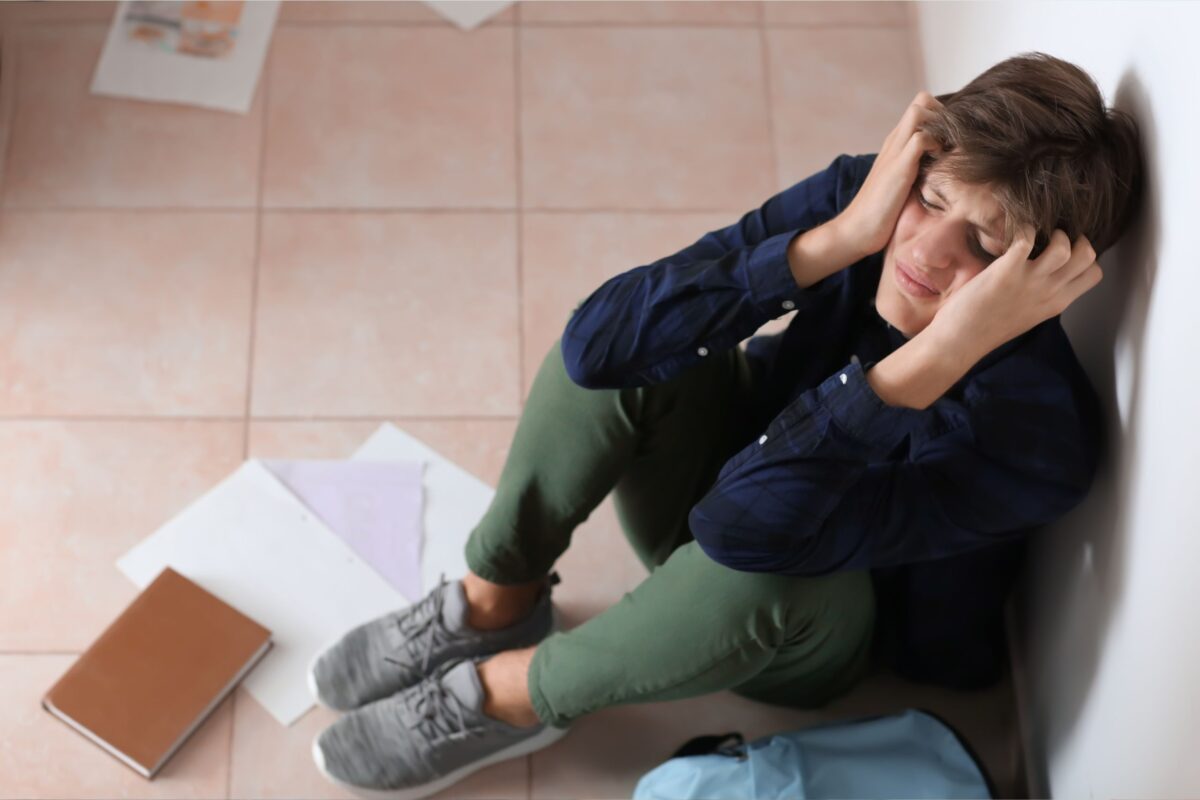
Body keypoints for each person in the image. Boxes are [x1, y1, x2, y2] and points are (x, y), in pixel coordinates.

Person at [306, 51, 1143, 799]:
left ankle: (511, 696)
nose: (926, 248)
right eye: (931, 198)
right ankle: (497, 601)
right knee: (638, 343)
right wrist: (839, 237)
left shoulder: (1035, 436)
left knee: (754, 563)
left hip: (809, 620)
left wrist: (935, 359)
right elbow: (594, 346)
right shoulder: (877, 203)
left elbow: (741, 531)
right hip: (741, 481)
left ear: (1042, 279)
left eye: (984, 247)